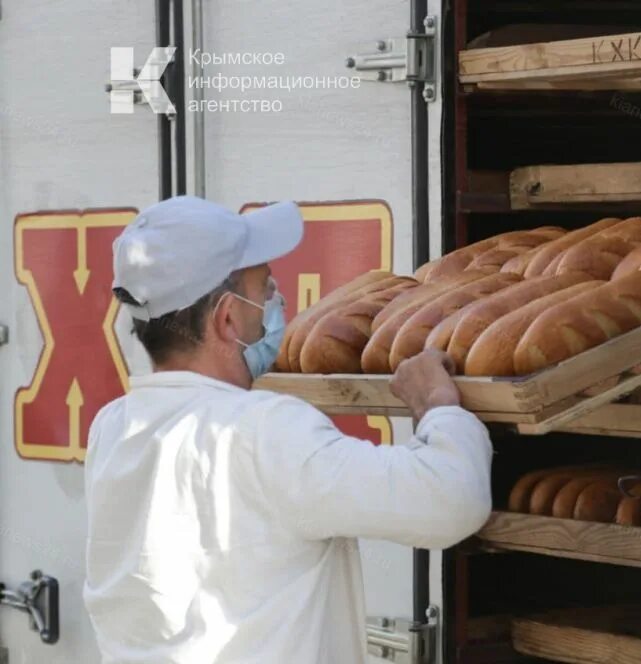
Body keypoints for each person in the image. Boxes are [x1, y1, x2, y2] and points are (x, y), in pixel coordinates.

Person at [83, 196, 493, 663]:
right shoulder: (262, 431)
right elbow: (450, 500)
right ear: (227, 318)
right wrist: (437, 404)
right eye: (265, 288)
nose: (276, 304)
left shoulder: (113, 427)